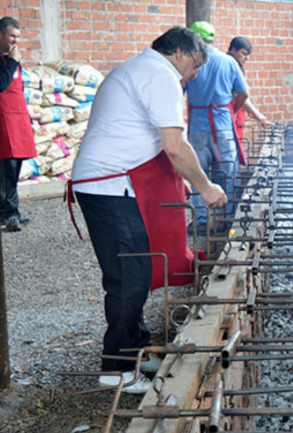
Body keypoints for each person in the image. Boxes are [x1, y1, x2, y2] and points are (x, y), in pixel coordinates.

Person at [69, 27, 228, 393]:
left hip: (110, 183)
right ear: (181, 54)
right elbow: (175, 145)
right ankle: (118, 370)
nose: (195, 75)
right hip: (109, 186)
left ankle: (137, 349)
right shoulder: (160, 75)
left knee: (136, 268)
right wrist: (205, 187)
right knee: (129, 275)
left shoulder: (142, 69)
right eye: (196, 66)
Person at [186, 21, 248, 232]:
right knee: (230, 171)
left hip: (197, 125)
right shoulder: (228, 61)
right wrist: (234, 110)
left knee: (197, 172)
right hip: (222, 123)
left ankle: (201, 221)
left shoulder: (191, 61)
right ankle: (230, 217)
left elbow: (179, 89)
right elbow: (244, 93)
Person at [0, 16, 37, 232]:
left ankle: (10, 211)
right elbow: (2, 83)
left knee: (17, 164)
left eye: (18, 37)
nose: (16, 41)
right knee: (7, 167)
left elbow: (19, 89)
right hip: (3, 118)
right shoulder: (8, 60)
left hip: (18, 116)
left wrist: (27, 118)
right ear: (1, 34)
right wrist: (13, 61)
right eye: (12, 36)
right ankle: (10, 214)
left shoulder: (13, 58)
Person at [227, 36, 268, 166]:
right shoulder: (229, 65)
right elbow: (241, 95)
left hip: (236, 113)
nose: (247, 58)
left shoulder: (238, 66)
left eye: (248, 55)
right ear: (233, 50)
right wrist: (258, 116)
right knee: (230, 151)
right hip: (229, 113)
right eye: (243, 54)